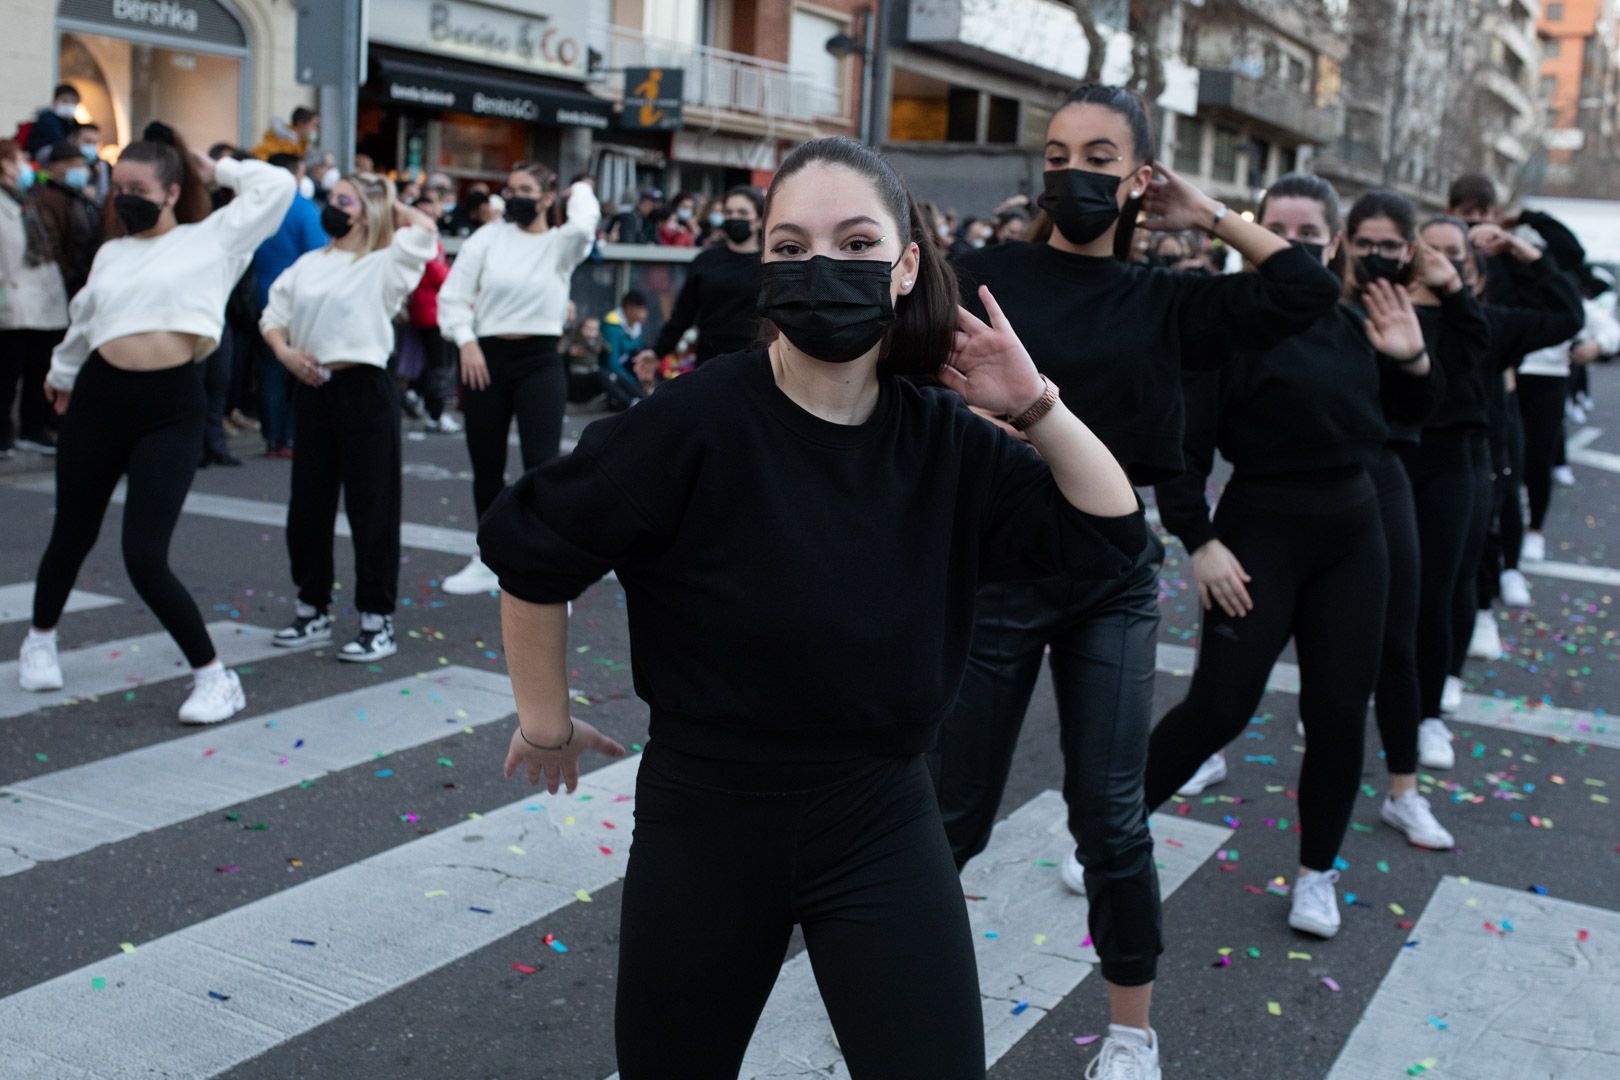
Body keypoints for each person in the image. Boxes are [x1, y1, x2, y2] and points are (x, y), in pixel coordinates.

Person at [478, 133, 1145, 1080]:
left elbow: (1112, 537)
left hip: (880, 818)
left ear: (907, 265)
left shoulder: (945, 441)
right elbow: (532, 549)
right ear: (764, 269)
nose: (821, 267)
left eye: (857, 243)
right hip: (705, 821)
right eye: (790, 248)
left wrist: (1036, 405)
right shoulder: (694, 422)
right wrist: (544, 725)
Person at [937, 83, 1340, 1078]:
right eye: (1061, 153)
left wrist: (1206, 216)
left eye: (1102, 157)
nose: (1076, 172)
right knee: (950, 821)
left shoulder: (1168, 301)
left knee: (1112, 818)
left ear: (1139, 178)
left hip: (1110, 585)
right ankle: (899, 987)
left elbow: (1305, 291)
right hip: (988, 579)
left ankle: (1129, 1035)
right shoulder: (982, 276)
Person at [1149, 177, 1445, 944]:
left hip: (1354, 532)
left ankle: (1318, 873)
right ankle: (1109, 831)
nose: (1294, 241)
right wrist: (1200, 540)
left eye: (1309, 231)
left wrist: (1411, 364)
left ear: (1334, 243)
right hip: (1257, 531)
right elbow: (1183, 453)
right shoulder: (1221, 329)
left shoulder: (1355, 324)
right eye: (1275, 227)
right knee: (1219, 706)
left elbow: (1406, 425)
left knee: (1339, 712)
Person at [17, 123, 295, 723]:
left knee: (144, 555)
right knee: (72, 531)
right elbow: (85, 319)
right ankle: (39, 639)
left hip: (169, 408)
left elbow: (276, 185)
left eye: (138, 187)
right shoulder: (113, 251)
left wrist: (212, 166)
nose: (124, 198)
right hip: (98, 398)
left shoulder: (214, 238)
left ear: (171, 192)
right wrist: (62, 376)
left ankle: (215, 679)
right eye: (118, 187)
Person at [261, 173, 436, 661]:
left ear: (365, 212)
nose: (331, 206)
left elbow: (424, 230)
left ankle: (376, 621)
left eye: (343, 201)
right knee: (308, 507)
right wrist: (286, 354)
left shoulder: (385, 263)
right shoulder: (308, 264)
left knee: (372, 508)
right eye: (331, 198)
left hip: (366, 389)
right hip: (313, 388)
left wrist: (388, 198)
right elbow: (273, 316)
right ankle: (311, 608)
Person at [1348, 193, 1490, 770]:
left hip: (1444, 463)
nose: (1378, 255)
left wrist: (1453, 289)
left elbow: (1477, 350)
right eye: (1365, 243)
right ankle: (1347, 693)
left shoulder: (1457, 316)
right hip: (1376, 462)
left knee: (1430, 594)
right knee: (1353, 595)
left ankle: (1427, 715)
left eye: (1390, 245)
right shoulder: (1348, 305)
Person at [436, 160, 600, 594]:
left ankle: (539, 561)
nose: (515, 197)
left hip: (541, 360)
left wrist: (580, 188)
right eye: (510, 189)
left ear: (548, 197)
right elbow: (452, 297)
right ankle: (489, 556)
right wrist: (466, 340)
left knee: (543, 467)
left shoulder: (561, 244)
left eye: (526, 189)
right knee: (485, 464)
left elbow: (584, 226)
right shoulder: (487, 238)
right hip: (485, 358)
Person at [633, 185, 764, 372]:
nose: (735, 218)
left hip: (755, 365)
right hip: (710, 362)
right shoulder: (706, 261)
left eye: (742, 213)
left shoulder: (768, 264)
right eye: (729, 212)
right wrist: (657, 353)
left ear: (759, 220)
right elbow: (682, 315)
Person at [249, 151, 327, 456]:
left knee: (269, 370)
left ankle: (272, 437)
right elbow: (318, 255)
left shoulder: (257, 208)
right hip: (295, 302)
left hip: (258, 298)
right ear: (295, 175)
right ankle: (291, 437)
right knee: (297, 369)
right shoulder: (303, 210)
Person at [0, 137, 69, 459]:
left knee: (38, 367)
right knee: (7, 371)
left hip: (42, 296)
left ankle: (33, 428)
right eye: (19, 158)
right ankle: (5, 435)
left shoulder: (27, 199)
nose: (26, 163)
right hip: (12, 298)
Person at [400, 205, 458, 434]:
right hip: (432, 312)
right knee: (439, 367)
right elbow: (441, 275)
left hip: (426, 311)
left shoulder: (422, 242)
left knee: (429, 365)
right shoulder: (423, 244)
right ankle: (436, 413)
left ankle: (420, 399)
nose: (433, 219)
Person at [599, 290, 648, 410]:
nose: (645, 314)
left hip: (627, 369)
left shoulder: (636, 326)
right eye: (640, 309)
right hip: (611, 371)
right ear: (629, 309)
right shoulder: (612, 326)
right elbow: (612, 363)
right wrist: (634, 383)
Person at [23, 85, 80, 160]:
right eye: (65, 101)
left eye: (73, 102)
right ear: (54, 101)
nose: (69, 105)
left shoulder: (73, 122)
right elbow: (58, 140)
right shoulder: (47, 118)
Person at [250, 106, 319, 161]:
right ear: (301, 124)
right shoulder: (286, 143)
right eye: (313, 125)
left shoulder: (301, 145)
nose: (315, 129)